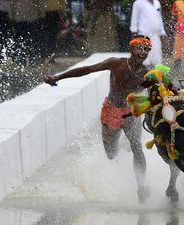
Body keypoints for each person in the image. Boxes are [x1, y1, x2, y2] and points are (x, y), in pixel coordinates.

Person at [44, 36, 152, 203]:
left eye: (147, 49)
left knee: (137, 147)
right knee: (110, 154)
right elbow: (87, 69)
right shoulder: (116, 63)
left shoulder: (148, 72)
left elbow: (161, 89)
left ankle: (141, 187)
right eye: (140, 48)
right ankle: (122, 147)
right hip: (112, 111)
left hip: (131, 113)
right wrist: (57, 77)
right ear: (131, 49)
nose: (143, 52)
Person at [130, 0, 166, 66]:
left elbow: (159, 18)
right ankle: (143, 74)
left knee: (157, 58)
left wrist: (162, 33)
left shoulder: (157, 2)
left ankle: (156, 75)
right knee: (144, 58)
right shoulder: (138, 2)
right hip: (143, 35)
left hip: (156, 35)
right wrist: (134, 32)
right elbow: (134, 18)